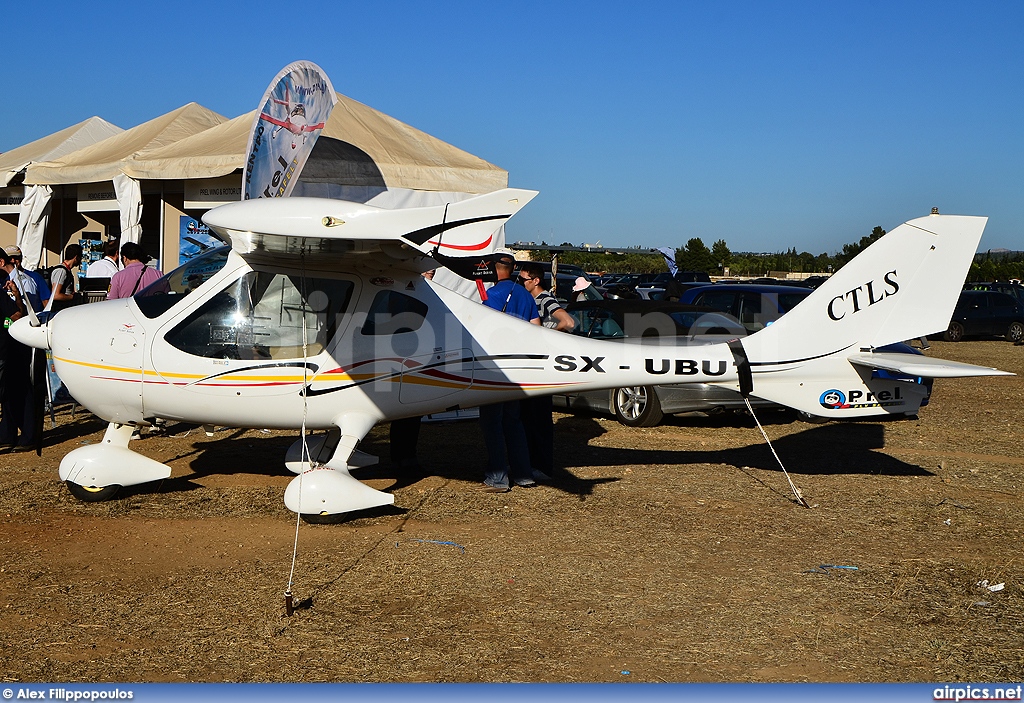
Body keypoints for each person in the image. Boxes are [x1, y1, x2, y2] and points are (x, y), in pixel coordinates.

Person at [478, 255, 540, 493]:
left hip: (495, 368)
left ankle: (498, 476)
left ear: (494, 270)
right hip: (518, 368)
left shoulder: (489, 296)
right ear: (513, 269)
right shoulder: (526, 295)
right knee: (513, 422)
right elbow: (536, 328)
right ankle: (523, 474)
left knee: (492, 423)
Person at [517, 263, 574, 481]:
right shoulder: (530, 300)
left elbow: (568, 322)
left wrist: (543, 334)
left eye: (524, 280)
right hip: (534, 365)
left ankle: (542, 466)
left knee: (539, 419)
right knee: (530, 419)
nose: (521, 283)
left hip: (542, 366)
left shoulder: (545, 299)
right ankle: (532, 463)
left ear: (535, 281)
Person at [0, 248, 33, 451]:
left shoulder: (24, 280)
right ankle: (8, 434)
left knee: (15, 392)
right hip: (7, 346)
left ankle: (20, 434)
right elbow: (15, 315)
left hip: (14, 345)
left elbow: (21, 315)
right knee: (9, 393)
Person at [3, 246, 48, 314]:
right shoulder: (4, 279)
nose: (13, 261)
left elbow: (45, 301)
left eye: (16, 258)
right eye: (10, 258)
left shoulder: (34, 277)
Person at [44, 243, 83, 314]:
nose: (81, 260)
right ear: (76, 257)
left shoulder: (66, 271)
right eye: (81, 257)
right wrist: (72, 297)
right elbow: (55, 295)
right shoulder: (61, 271)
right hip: (59, 310)